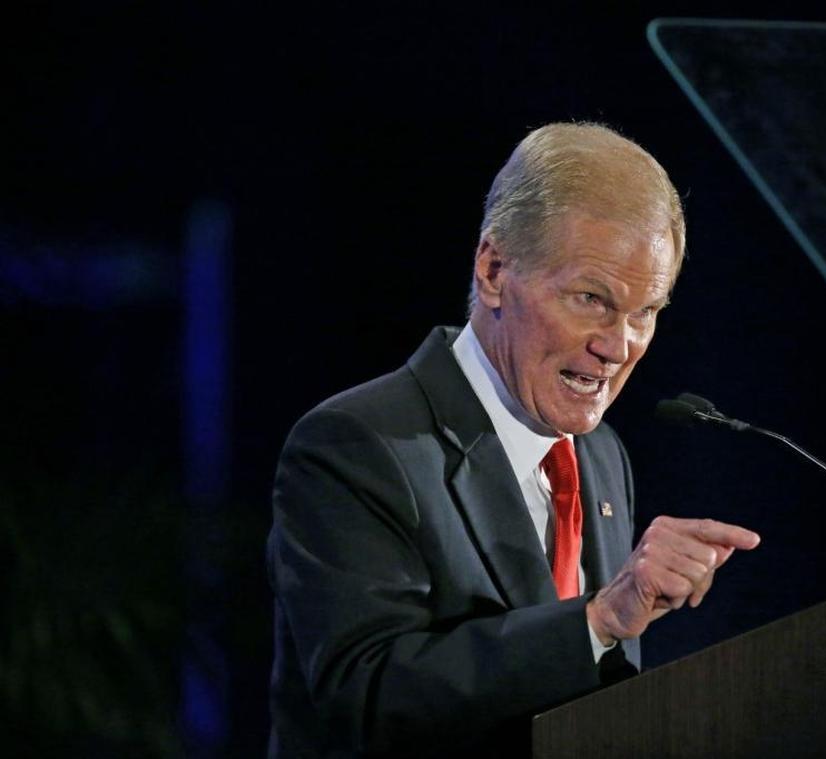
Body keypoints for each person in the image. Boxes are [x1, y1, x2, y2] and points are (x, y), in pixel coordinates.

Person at [266, 122, 761, 757]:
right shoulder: (357, 445)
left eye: (646, 312)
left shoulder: (601, 454)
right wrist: (599, 621)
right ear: (495, 269)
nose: (619, 345)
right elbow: (367, 700)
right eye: (591, 299)